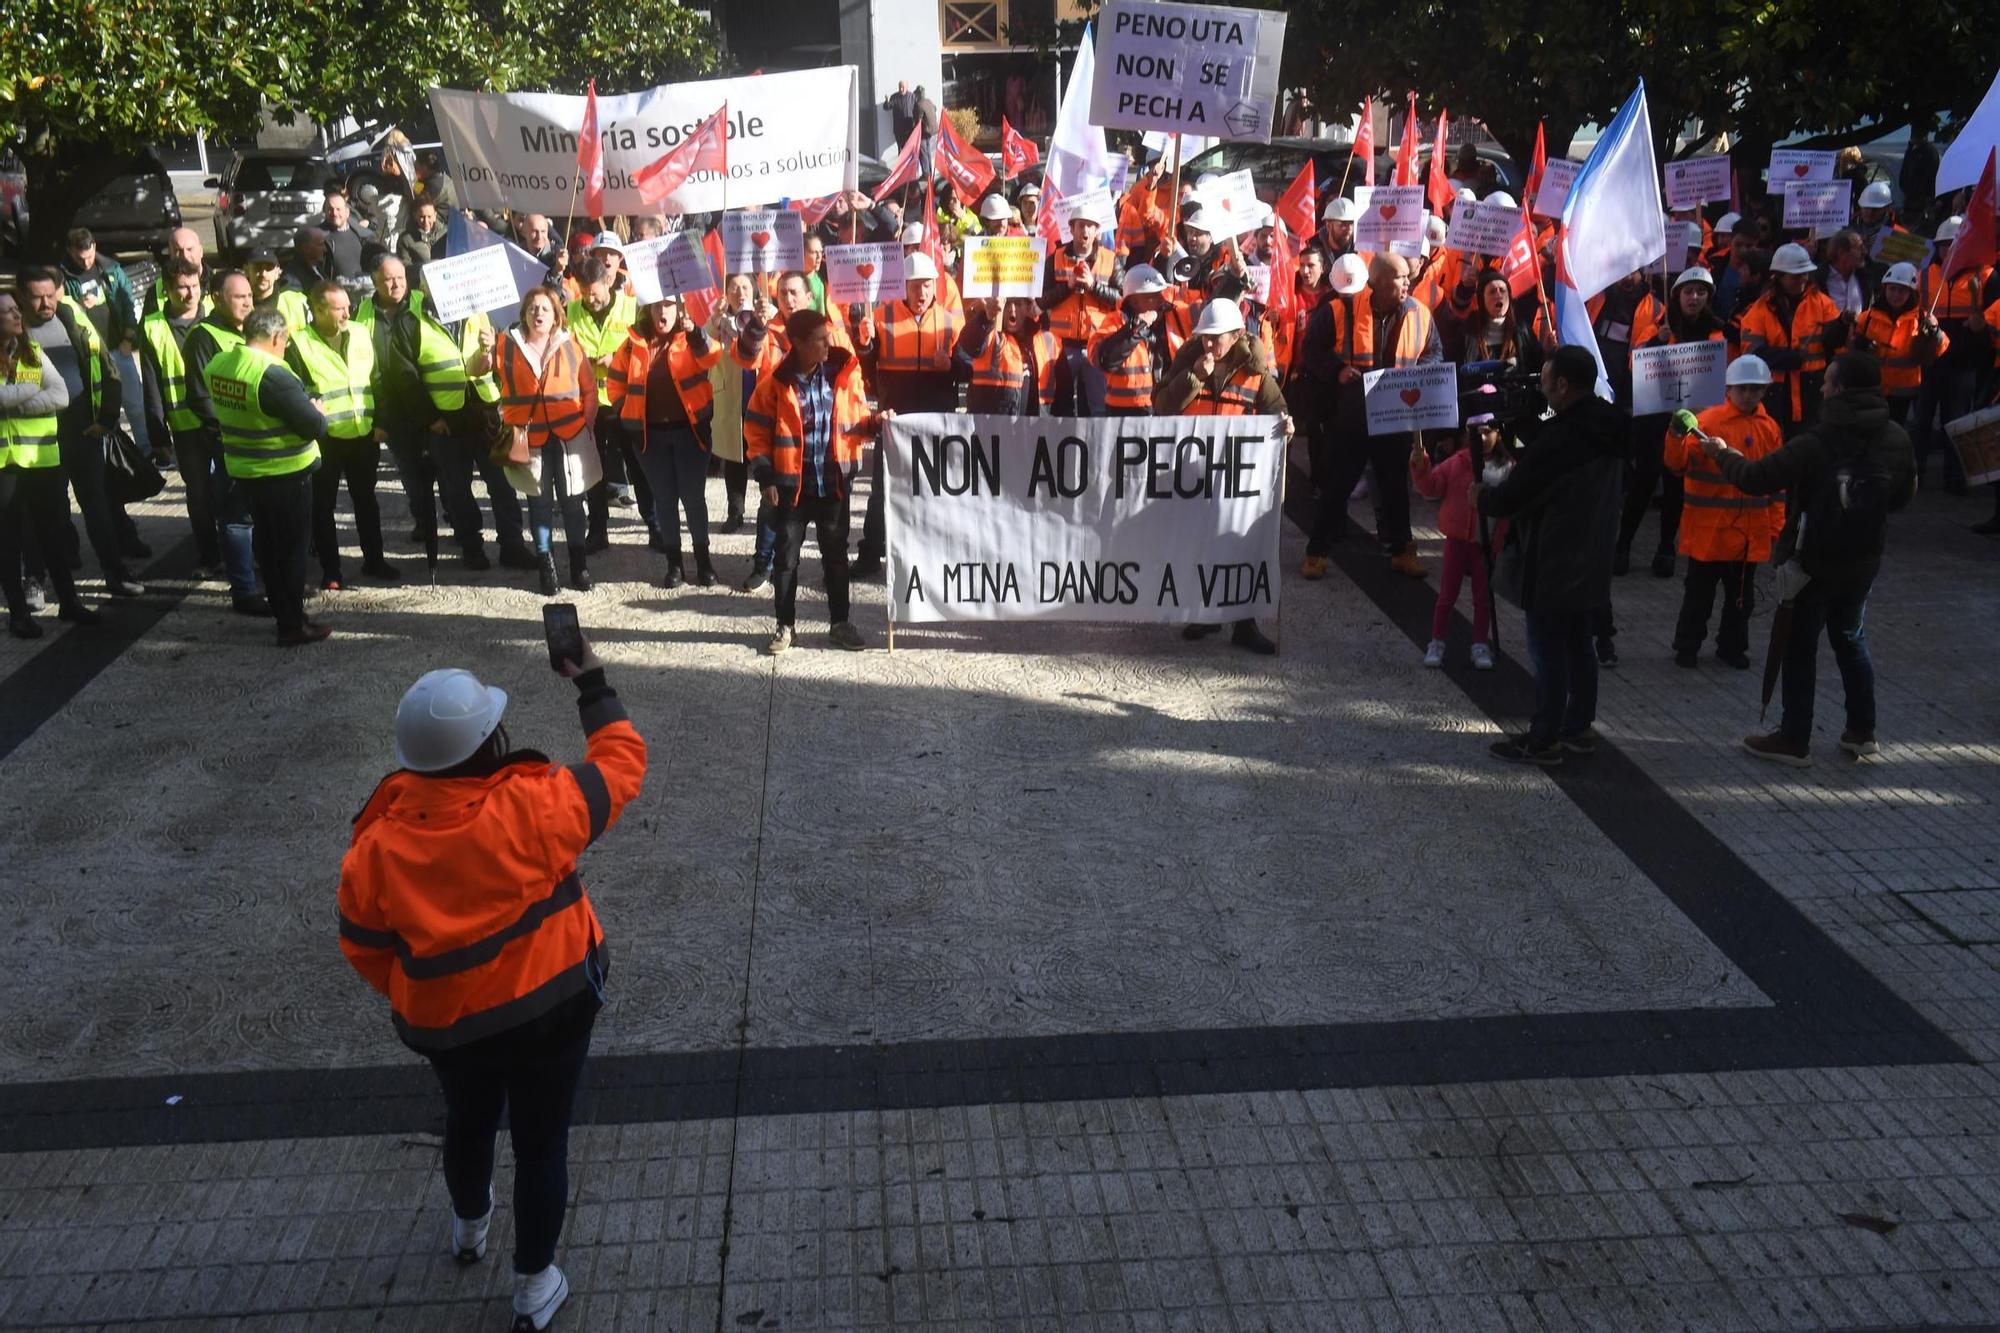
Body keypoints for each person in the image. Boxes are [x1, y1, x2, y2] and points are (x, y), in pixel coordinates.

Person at [337, 645, 646, 1333]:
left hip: (449, 1028)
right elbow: (622, 765)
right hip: (553, 1010)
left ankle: (470, 1224)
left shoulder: (377, 846)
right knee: (541, 1143)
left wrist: (424, 989)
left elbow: (362, 944)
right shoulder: (533, 806)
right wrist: (591, 682)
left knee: (468, 1118)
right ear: (490, 742)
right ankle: (535, 1284)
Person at [1699, 352, 1915, 766]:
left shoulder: (1818, 442)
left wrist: (1722, 453)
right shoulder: (1897, 438)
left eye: (1829, 382)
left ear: (1842, 390)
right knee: (1851, 639)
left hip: (1812, 562)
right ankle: (1861, 731)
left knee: (1800, 646)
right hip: (1864, 560)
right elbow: (1903, 496)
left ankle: (1795, 737)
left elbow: (1755, 478)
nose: (1822, 387)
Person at [1473, 344, 1627, 765]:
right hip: (1592, 556)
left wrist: (1483, 497)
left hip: (1554, 559)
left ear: (1562, 384)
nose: (1540, 389)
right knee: (1580, 644)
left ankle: (1544, 739)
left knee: (1547, 652)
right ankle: (1578, 726)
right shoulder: (1610, 424)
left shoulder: (1563, 438)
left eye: (1544, 382)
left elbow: (1514, 495)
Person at [1152, 297, 1289, 655]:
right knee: (1201, 546)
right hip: (1193, 476)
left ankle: (1244, 625)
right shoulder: (1189, 360)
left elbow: (1279, 414)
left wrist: (1286, 426)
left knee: (1240, 548)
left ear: (1237, 335)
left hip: (1238, 483)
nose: (1209, 344)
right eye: (1205, 336)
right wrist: (1195, 375)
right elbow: (1162, 406)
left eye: (1217, 337)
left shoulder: (1256, 373)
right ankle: (1207, 614)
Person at [745, 308, 882, 654]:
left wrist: (877, 422)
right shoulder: (775, 383)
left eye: (828, 336)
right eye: (820, 339)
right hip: (792, 488)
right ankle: (785, 627)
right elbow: (756, 432)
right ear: (799, 343)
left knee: (835, 555)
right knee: (786, 558)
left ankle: (840, 623)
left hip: (833, 484)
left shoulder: (843, 373)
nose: (828, 343)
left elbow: (858, 419)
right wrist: (766, 478)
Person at [1302, 253, 1442, 579]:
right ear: (1377, 282)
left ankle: (1402, 551)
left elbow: (1434, 354)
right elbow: (1311, 350)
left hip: (1395, 415)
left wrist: (1416, 375)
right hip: (1352, 416)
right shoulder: (1340, 308)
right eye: (1400, 276)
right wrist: (1336, 371)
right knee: (1338, 485)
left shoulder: (1421, 314)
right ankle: (1317, 552)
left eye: (1408, 276)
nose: (1408, 281)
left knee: (1395, 486)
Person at [203, 306, 330, 645]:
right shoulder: (273, 374)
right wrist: (317, 411)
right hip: (286, 475)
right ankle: (292, 624)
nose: (285, 347)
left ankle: (284, 617)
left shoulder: (219, 365)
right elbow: (314, 426)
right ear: (277, 337)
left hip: (245, 472)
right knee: (290, 553)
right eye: (285, 341)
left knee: (268, 551)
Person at [357, 255, 492, 571]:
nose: (396, 285)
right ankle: (423, 519)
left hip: (431, 404)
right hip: (395, 410)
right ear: (375, 281)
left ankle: (460, 530)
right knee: (413, 476)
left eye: (401, 277)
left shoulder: (422, 302)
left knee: (450, 478)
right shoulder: (362, 314)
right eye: (389, 279)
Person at [19, 267, 145, 598]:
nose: (46, 302)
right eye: (37, 296)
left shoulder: (71, 317)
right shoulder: (13, 332)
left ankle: (115, 573)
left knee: (98, 507)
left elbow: (105, 365)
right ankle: (38, 580)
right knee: (46, 514)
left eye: (51, 294)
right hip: (38, 441)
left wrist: (107, 418)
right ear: (22, 298)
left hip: (84, 433)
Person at [1663, 354, 1785, 669]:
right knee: (1698, 598)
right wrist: (1676, 436)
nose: (1748, 395)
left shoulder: (1769, 428)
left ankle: (1731, 647)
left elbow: (1776, 485)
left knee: (1741, 601)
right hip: (1711, 532)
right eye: (1743, 389)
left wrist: (1775, 529)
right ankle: (1687, 646)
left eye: (1755, 390)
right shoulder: (1707, 424)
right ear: (1729, 389)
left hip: (1744, 534)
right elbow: (1677, 465)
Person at [855, 250, 961, 579]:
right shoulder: (881, 317)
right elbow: (867, 367)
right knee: (882, 491)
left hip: (935, 420)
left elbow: (970, 368)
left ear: (935, 286)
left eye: (927, 285)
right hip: (894, 418)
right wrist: (866, 343)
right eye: (915, 286)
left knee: (932, 490)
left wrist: (953, 365)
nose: (921, 293)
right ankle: (871, 556)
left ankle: (929, 556)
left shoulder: (949, 320)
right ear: (903, 286)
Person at [1618, 265, 1728, 578]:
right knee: (1644, 482)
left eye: (1701, 292)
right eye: (1689, 292)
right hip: (1654, 421)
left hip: (1691, 422)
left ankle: (1666, 547)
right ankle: (1623, 544)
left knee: (1676, 485)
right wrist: (1657, 343)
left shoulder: (1716, 332)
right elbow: (1633, 365)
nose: (1694, 298)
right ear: (1677, 295)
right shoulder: (1658, 327)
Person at [0, 291, 99, 636]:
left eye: (16, 308)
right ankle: (18, 614)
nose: (16, 314)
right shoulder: (30, 362)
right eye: (8, 311)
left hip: (42, 459)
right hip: (6, 466)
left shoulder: (34, 353)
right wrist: (28, 389)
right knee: (9, 542)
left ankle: (69, 603)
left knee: (52, 534)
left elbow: (60, 395)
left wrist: (18, 399)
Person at [607, 294, 723, 588]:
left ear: (678, 307)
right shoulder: (632, 343)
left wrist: (696, 331)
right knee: (665, 501)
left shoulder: (690, 336)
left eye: (669, 305)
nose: (663, 311)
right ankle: (674, 564)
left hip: (690, 434)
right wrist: (624, 411)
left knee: (693, 500)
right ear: (648, 308)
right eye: (657, 305)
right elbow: (615, 381)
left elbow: (713, 355)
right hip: (650, 438)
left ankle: (703, 562)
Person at [289, 280, 397, 589]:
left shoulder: (360, 333)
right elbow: (297, 389)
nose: (348, 313)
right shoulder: (299, 343)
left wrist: (382, 422)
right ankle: (331, 570)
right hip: (326, 439)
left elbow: (377, 378)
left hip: (364, 434)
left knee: (366, 501)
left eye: (349, 306)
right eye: (340, 309)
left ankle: (374, 561)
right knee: (323, 507)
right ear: (319, 310)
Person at [496, 287, 600, 595]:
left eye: (545, 308)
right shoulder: (506, 345)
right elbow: (476, 371)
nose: (538, 313)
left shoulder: (570, 344)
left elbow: (590, 389)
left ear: (556, 316)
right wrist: (483, 351)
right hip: (531, 440)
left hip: (569, 438)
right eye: (533, 308)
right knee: (539, 505)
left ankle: (579, 564)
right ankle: (547, 565)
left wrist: (587, 422)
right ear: (524, 314)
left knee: (572, 503)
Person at [175, 270, 266, 612]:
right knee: (236, 516)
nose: (247, 302)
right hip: (230, 443)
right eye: (239, 296)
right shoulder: (204, 336)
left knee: (258, 513)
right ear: (217, 298)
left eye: (249, 296)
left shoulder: (252, 331)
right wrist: (233, 429)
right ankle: (243, 590)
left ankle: (264, 574)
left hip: (261, 441)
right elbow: (201, 397)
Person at [1412, 413, 1504, 670]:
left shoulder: (1506, 467)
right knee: (1446, 595)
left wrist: (1498, 540)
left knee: (1482, 597)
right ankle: (1437, 641)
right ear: (1467, 435)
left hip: (1485, 544)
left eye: (1489, 431)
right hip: (1457, 540)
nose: (1484, 438)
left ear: (1499, 433)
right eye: (1478, 432)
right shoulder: (1456, 463)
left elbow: (1509, 510)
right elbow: (1431, 487)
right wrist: (1421, 466)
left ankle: (1479, 643)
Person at [565, 256, 639, 552]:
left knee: (636, 466)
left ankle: (656, 526)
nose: (590, 299)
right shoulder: (570, 311)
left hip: (624, 400)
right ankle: (597, 530)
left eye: (594, 292)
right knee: (592, 470)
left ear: (607, 282)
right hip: (589, 403)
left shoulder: (630, 309)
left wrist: (617, 360)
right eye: (584, 293)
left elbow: (643, 349)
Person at [1738, 242, 1844, 431]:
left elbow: (1835, 344)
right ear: (1778, 277)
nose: (1801, 280)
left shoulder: (1823, 304)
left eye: (1804, 274)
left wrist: (1843, 325)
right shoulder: (1758, 311)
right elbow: (1752, 354)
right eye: (1795, 276)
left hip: (1813, 389)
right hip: (1775, 393)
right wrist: (1791, 358)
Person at [1850, 262, 1946, 426]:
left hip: (1903, 394)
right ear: (1884, 289)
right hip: (1871, 389)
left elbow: (1940, 348)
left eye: (1902, 290)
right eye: (1892, 289)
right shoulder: (1867, 318)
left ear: (1911, 293)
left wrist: (1935, 332)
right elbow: (1851, 349)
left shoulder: (1923, 319)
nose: (1896, 294)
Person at [955, 296, 1060, 415]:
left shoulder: (1048, 341)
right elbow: (969, 344)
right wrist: (986, 317)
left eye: (1018, 303)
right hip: (991, 429)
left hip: (1036, 429)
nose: (1012, 309)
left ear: (1028, 307)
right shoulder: (989, 336)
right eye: (1007, 303)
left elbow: (1064, 395)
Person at [1042, 211, 1123, 350]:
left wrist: (1093, 286)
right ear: (1072, 229)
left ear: (1097, 230)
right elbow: (1042, 300)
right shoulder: (1055, 258)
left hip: (1096, 345)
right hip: (1060, 346)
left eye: (1090, 225)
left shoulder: (1111, 259)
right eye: (1080, 225)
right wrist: (1068, 287)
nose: (1085, 230)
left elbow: (1122, 300)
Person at [321, 191, 378, 290]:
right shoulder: (318, 238)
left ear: (347, 212)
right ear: (324, 212)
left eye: (338, 209)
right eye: (330, 209)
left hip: (363, 293)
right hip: (333, 294)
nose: (334, 213)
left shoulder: (364, 236)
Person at [244, 247, 309, 332]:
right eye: (257, 268)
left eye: (269, 268)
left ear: (278, 272)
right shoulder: (238, 303)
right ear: (247, 270)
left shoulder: (297, 301)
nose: (263, 274)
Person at [398, 198, 449, 281]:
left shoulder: (446, 233)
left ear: (435, 216)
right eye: (422, 217)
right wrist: (426, 268)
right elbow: (404, 268)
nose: (426, 221)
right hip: (420, 282)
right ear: (415, 216)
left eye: (429, 216)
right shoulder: (406, 239)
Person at [287, 227, 332, 293]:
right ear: (306, 248)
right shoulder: (292, 277)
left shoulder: (317, 268)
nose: (325, 249)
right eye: (321, 244)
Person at [884, 80, 918, 150]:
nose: (901, 89)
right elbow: (887, 107)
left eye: (903, 87)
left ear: (907, 87)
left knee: (910, 149)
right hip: (899, 130)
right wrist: (886, 102)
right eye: (900, 87)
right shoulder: (894, 97)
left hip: (910, 129)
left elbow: (917, 110)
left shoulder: (912, 96)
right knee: (901, 150)